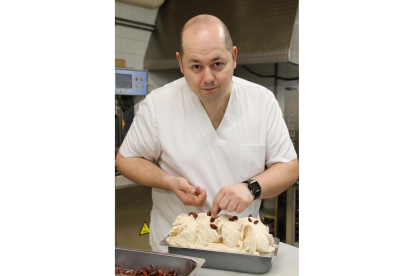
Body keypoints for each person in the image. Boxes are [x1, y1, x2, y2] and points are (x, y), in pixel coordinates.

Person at [116, 14, 299, 253]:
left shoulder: (261, 101)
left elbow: (289, 166)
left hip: (241, 246)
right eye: (196, 67)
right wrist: (169, 182)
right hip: (176, 247)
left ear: (233, 57)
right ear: (181, 63)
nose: (208, 78)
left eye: (217, 64)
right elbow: (126, 159)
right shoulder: (158, 105)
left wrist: (251, 188)